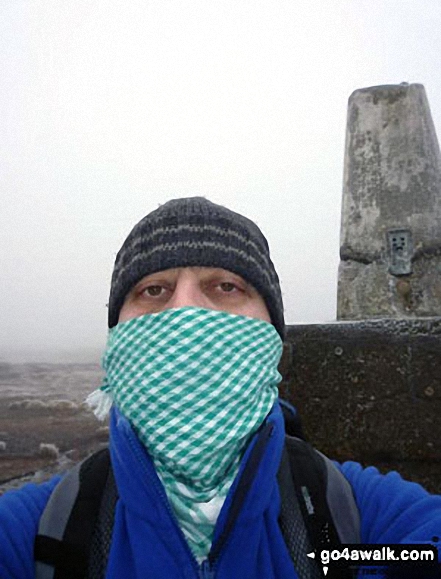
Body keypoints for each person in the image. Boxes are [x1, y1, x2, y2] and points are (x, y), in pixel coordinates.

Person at [0, 196, 440, 579]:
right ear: (117, 339)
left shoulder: (350, 513)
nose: (185, 312)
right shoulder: (44, 530)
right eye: (154, 290)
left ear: (271, 337)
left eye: (226, 286)